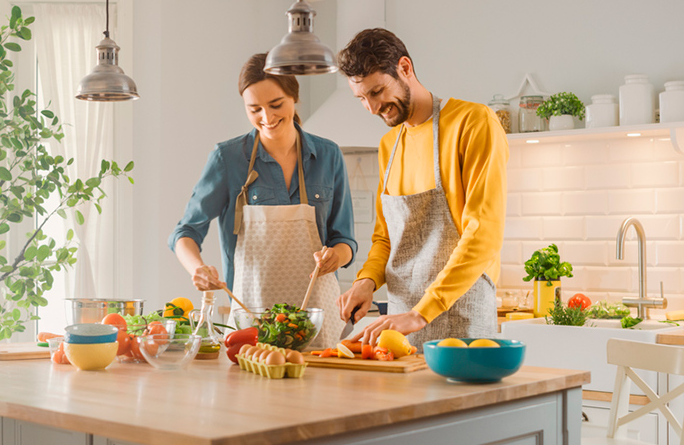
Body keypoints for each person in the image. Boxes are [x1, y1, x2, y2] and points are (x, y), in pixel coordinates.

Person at [168, 53, 357, 348]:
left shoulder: (328, 155)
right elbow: (185, 232)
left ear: (294, 97)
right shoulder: (228, 159)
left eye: (276, 105)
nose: (266, 118)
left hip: (318, 319)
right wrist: (198, 269)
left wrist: (337, 256)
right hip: (249, 318)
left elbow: (344, 239)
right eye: (254, 109)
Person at [336, 29, 509, 348]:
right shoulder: (389, 145)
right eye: (362, 98)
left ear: (405, 68)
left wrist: (421, 313)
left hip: (462, 320)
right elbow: (385, 237)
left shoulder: (473, 123)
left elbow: (482, 234)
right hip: (400, 326)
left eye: (377, 91)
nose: (372, 108)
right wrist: (367, 281)